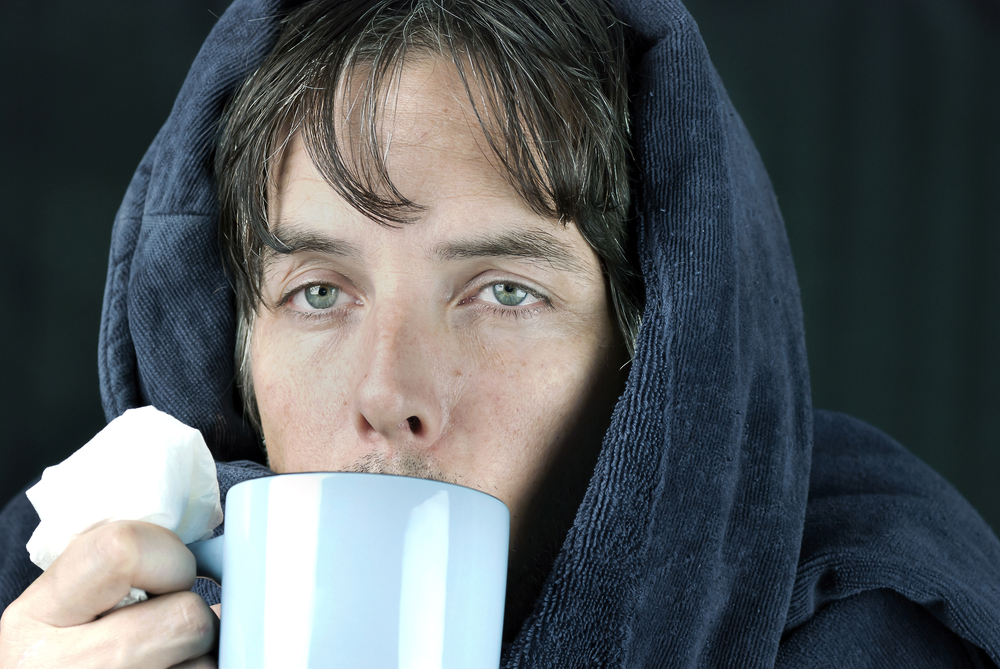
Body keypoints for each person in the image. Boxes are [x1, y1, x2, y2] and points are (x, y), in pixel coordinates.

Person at [1, 0, 999, 667]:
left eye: (504, 292)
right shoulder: (61, 610)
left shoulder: (872, 627)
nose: (388, 392)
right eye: (317, 293)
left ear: (648, 355)